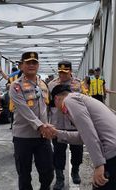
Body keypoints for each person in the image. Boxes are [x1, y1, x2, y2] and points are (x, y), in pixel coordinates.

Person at [45, 84, 116, 190]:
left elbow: (88, 133)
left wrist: (99, 164)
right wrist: (57, 133)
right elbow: (84, 136)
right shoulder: (80, 99)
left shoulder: (70, 100)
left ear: (56, 98)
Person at [9, 52, 54, 190]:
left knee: (48, 172)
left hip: (42, 137)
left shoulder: (43, 84)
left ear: (38, 65)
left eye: (34, 62)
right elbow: (25, 110)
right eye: (28, 62)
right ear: (21, 65)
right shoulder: (16, 86)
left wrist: (50, 125)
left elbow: (47, 107)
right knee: (24, 174)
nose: (31, 65)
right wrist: (41, 126)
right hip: (23, 137)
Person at [48, 60, 85, 189]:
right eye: (60, 72)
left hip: (75, 124)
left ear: (70, 71)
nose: (62, 75)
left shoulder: (79, 84)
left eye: (65, 72)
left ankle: (75, 171)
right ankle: (59, 178)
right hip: (57, 124)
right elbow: (48, 105)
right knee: (58, 153)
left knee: (77, 151)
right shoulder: (51, 85)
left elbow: (84, 103)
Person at [0, 64, 23, 130]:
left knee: (13, 110)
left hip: (14, 97)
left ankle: (13, 125)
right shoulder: (19, 74)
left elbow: (6, 78)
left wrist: (1, 72)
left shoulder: (13, 75)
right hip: (20, 97)